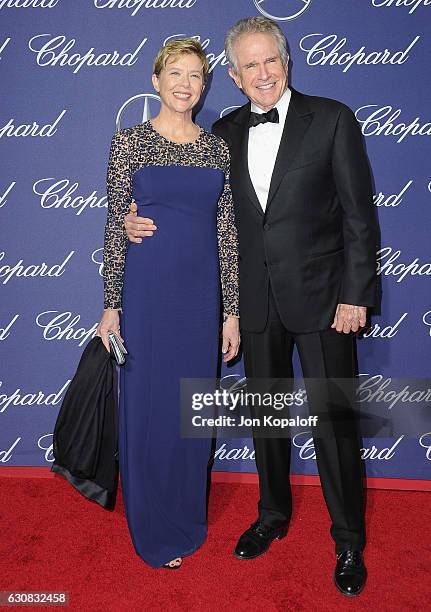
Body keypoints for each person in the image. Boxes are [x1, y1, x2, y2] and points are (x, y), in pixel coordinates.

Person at [123, 17, 380, 595]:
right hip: (256, 303)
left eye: (272, 61)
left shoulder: (333, 118)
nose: (263, 74)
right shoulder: (224, 133)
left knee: (335, 424)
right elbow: (200, 214)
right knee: (267, 419)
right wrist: (132, 223)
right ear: (234, 78)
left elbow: (361, 216)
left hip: (325, 301)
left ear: (286, 64)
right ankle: (272, 515)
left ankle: (348, 541)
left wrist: (355, 295)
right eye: (250, 66)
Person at [96, 38, 240, 570]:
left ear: (206, 86)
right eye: (174, 72)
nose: (185, 83)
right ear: (156, 81)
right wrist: (111, 305)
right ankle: (151, 524)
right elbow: (116, 225)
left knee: (190, 413)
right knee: (151, 409)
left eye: (195, 75)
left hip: (200, 300)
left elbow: (227, 233)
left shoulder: (216, 149)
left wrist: (232, 311)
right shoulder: (129, 142)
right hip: (148, 294)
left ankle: (185, 514)